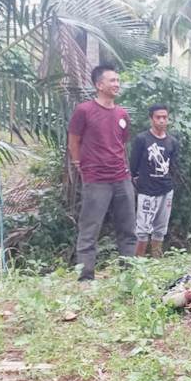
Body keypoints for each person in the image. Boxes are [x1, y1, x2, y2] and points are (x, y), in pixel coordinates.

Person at [68, 65, 136, 281]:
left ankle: (130, 275)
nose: (117, 84)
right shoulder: (84, 110)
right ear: (99, 85)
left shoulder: (122, 113)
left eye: (118, 80)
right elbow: (74, 139)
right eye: (112, 81)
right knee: (89, 230)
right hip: (96, 180)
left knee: (128, 229)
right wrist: (79, 162)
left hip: (121, 177)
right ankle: (86, 277)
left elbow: (122, 142)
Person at [130, 104, 179, 258]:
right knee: (143, 229)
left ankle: (156, 261)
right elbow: (133, 165)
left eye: (164, 117)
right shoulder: (142, 139)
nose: (162, 121)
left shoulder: (172, 142)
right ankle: (138, 263)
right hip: (146, 191)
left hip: (166, 189)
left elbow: (174, 167)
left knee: (160, 228)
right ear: (151, 119)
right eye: (158, 117)